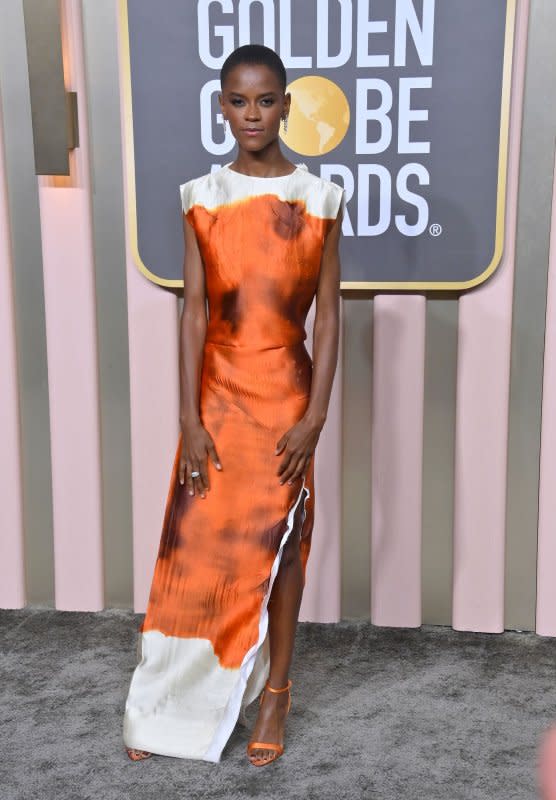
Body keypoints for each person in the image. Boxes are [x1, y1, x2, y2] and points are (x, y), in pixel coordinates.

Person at [122, 43, 344, 767]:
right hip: (216, 399)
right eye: (239, 100)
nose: (253, 113)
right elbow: (193, 313)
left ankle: (276, 689)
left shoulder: (319, 197)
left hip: (284, 396)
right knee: (196, 549)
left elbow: (332, 316)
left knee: (280, 550)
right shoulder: (201, 196)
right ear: (222, 107)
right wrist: (188, 418)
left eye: (267, 100)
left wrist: (315, 417)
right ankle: (172, 703)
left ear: (287, 105)